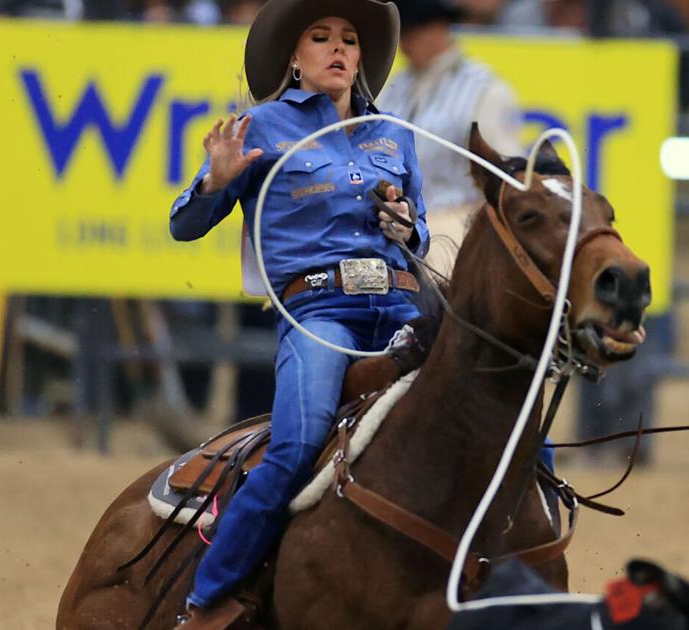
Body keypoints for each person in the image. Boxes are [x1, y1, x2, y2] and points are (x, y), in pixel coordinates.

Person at [167, 0, 429, 620]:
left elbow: (418, 235)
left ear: (360, 58)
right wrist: (215, 181)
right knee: (298, 444)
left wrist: (407, 226)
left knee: (498, 393)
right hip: (320, 313)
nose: (338, 49)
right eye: (321, 37)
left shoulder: (395, 133)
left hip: (403, 309)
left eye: (349, 40)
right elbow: (184, 225)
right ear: (294, 56)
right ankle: (206, 602)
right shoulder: (257, 127)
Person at [377, 0, 521, 277]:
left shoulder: (484, 90)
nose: (403, 44)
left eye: (410, 32)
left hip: (459, 226)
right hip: (395, 222)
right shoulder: (396, 87)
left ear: (438, 29)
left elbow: (505, 178)